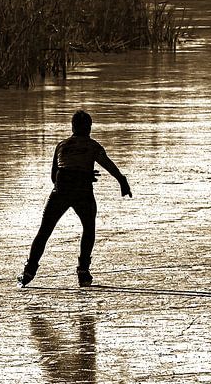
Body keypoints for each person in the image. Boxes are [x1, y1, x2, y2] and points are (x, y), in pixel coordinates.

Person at [18, 110, 131, 287]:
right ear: (89, 128)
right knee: (89, 228)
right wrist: (121, 180)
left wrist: (78, 174)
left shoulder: (62, 145)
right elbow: (107, 164)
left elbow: (54, 177)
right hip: (82, 191)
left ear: (73, 127)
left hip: (61, 190)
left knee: (44, 231)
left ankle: (29, 270)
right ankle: (83, 270)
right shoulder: (93, 146)